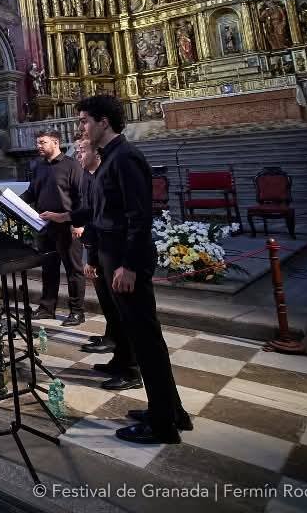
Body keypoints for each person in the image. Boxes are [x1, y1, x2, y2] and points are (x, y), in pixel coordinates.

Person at [42, 96, 191, 445]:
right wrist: (65, 217)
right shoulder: (109, 160)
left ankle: (163, 425)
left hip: (124, 259)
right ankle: (172, 411)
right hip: (111, 255)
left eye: (84, 121)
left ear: (104, 122)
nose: (81, 128)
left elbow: (139, 218)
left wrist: (129, 265)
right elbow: (100, 211)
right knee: (143, 338)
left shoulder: (125, 158)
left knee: (146, 341)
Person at [73, 139, 137, 388]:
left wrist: (124, 263)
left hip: (115, 253)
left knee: (124, 315)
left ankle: (132, 370)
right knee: (112, 311)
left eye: (82, 150)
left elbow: (102, 219)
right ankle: (120, 360)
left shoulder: (117, 166)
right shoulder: (90, 177)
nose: (78, 153)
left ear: (97, 154)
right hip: (101, 251)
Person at [23, 129, 86, 326]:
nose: (38, 146)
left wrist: (78, 223)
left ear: (56, 142)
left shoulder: (72, 165)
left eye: (42, 142)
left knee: (73, 269)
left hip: (67, 226)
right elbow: (32, 193)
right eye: (38, 142)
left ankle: (77, 311)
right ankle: (47, 307)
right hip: (45, 226)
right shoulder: (38, 166)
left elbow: (81, 196)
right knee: (48, 268)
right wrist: (9, 201)